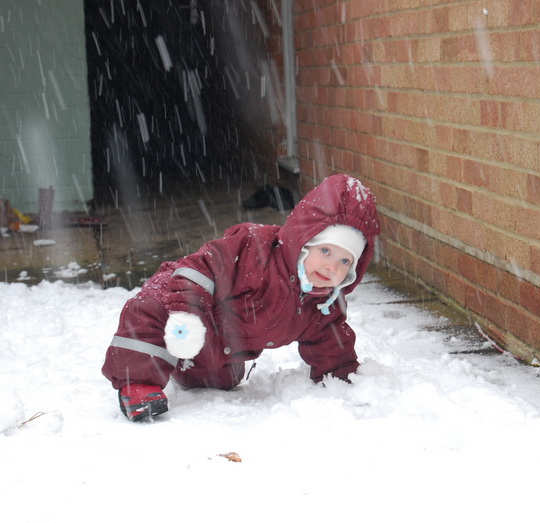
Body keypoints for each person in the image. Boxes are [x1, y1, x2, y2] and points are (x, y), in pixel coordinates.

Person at [101, 173, 381, 421]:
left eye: (345, 261)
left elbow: (330, 343)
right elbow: (202, 268)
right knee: (148, 310)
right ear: (304, 242)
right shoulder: (253, 250)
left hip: (223, 344)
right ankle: (137, 384)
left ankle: (181, 361)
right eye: (326, 251)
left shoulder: (322, 303)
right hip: (185, 297)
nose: (332, 266)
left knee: (216, 381)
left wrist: (342, 377)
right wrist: (187, 314)